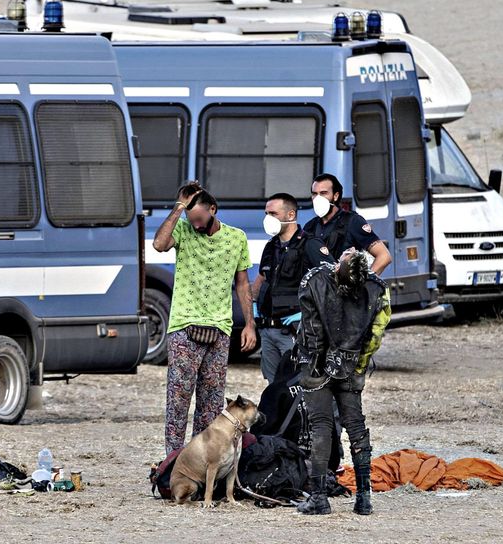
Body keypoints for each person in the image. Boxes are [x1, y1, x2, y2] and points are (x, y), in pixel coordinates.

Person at [153, 181, 257, 454]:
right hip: (184, 327)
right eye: (192, 219)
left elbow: (243, 284)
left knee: (211, 405)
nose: (196, 225)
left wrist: (249, 324)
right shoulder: (184, 229)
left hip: (220, 329)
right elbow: (159, 244)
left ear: (213, 209)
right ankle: (173, 463)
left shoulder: (237, 238)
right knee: (178, 400)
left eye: (200, 219)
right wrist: (179, 207)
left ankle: (202, 461)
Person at [296, 248, 391, 516]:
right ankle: (363, 498)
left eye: (348, 252)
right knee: (356, 426)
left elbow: (313, 333)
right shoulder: (376, 288)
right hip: (350, 365)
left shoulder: (314, 280)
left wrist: (316, 365)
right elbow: (375, 335)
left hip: (316, 368)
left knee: (321, 427)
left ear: (339, 267)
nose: (349, 248)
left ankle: (318, 498)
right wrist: (357, 365)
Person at [252, 192, 332, 383]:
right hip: (268, 329)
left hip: (295, 331)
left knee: (299, 383)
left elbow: (331, 285)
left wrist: (306, 315)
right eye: (266, 213)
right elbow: (261, 280)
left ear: (290, 215)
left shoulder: (310, 245)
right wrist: (254, 307)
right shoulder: (271, 246)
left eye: (273, 214)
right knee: (274, 386)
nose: (268, 219)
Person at [303, 173, 392, 275]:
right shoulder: (310, 226)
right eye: (314, 194)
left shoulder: (352, 221)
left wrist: (363, 283)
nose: (318, 198)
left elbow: (384, 256)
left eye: (323, 193)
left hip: (344, 287)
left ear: (335, 196)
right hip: (320, 288)